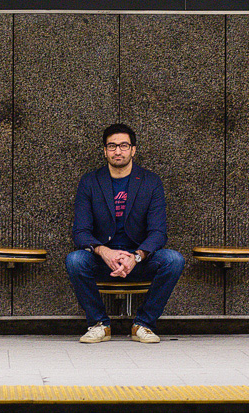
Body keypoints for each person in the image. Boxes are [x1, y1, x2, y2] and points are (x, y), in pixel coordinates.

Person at [66, 123, 184, 344]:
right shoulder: (90, 182)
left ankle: (144, 324)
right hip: (102, 260)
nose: (117, 151)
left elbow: (158, 232)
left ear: (133, 149)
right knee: (75, 260)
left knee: (173, 260)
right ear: (104, 150)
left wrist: (136, 256)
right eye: (112, 146)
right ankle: (99, 324)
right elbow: (80, 231)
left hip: (140, 260)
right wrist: (104, 252)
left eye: (123, 145)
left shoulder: (151, 182)